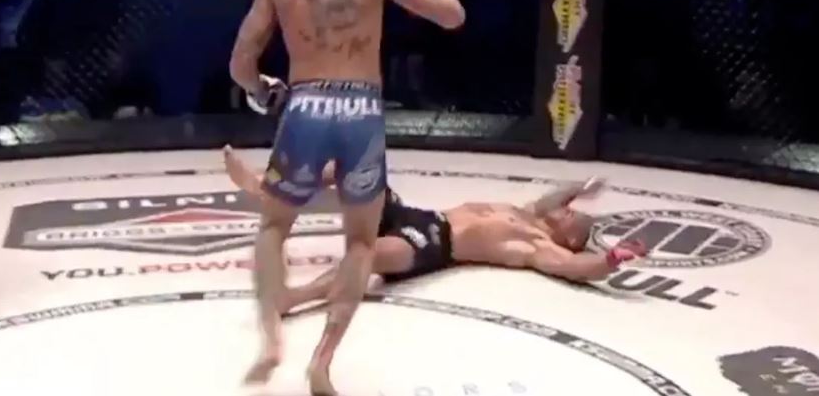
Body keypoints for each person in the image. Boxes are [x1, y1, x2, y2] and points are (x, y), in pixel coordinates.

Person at [228, 0, 466, 395]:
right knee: (360, 243)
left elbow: (241, 64)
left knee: (273, 226)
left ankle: (271, 339)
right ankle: (322, 362)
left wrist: (262, 91)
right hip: (361, 110)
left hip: (306, 106)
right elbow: (452, 15)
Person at [222, 147, 648, 314]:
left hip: (434, 244)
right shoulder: (530, 212)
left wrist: (610, 260)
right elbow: (557, 196)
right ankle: (269, 187)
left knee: (365, 256)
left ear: (568, 237)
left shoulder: (536, 244)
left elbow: (575, 268)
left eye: (571, 217)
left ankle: (292, 299)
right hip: (418, 215)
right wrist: (583, 187)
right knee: (358, 169)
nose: (565, 211)